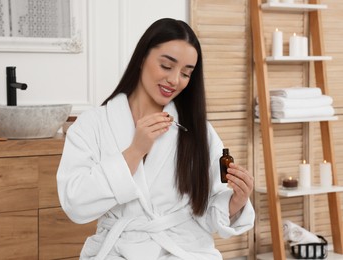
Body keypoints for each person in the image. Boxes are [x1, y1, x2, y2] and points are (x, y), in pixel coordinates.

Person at [57, 18, 255, 260]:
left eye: (185, 73)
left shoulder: (197, 130)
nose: (175, 80)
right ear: (142, 58)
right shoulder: (93, 124)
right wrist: (134, 151)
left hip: (183, 251)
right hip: (116, 250)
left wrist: (237, 201)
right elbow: (75, 203)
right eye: (166, 66)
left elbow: (209, 212)